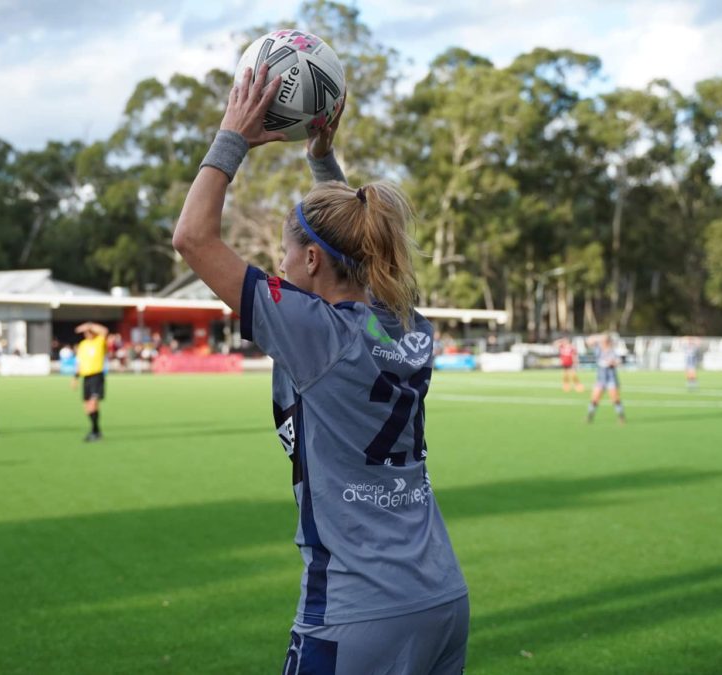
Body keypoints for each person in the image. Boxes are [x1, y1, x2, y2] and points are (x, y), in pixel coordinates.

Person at [172, 66, 468, 673]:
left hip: (358, 613)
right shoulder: (408, 325)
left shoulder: (313, 333)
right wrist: (322, 161)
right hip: (441, 597)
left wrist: (232, 136)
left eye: (284, 254)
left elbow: (193, 239)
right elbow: (361, 253)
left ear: (310, 259)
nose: (276, 268)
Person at [72, 322, 109, 442]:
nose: (87, 333)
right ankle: (96, 431)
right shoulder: (83, 345)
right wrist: (75, 378)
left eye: (88, 331)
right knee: (87, 406)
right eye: (85, 332)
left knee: (93, 403)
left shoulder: (99, 341)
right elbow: (79, 363)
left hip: (96, 376)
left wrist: (89, 325)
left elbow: (104, 330)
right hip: (86, 377)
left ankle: (94, 431)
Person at [586, 333, 626, 424]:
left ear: (607, 342)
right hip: (600, 379)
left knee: (615, 399)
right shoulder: (598, 350)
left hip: (611, 379)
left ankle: (621, 417)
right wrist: (600, 336)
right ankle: (589, 417)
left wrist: (613, 363)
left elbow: (619, 361)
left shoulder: (613, 351)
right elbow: (589, 340)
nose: (601, 342)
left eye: (603, 341)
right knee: (594, 399)